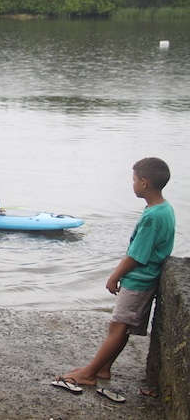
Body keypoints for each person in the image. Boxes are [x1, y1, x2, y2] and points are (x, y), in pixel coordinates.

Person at [54, 157, 174, 391]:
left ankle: (89, 374)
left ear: (144, 183)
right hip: (145, 278)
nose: (133, 183)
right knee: (122, 326)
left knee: (117, 327)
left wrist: (114, 276)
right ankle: (103, 368)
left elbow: (136, 256)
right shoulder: (164, 208)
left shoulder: (153, 216)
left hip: (139, 280)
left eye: (134, 179)